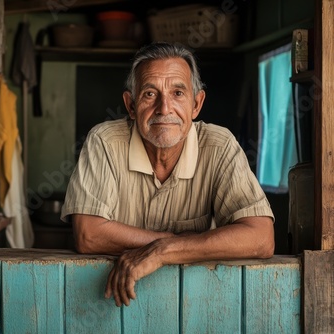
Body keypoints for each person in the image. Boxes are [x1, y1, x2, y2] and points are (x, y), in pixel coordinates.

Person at [61, 42, 275, 307]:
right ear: (130, 105)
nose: (164, 108)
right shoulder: (104, 142)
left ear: (196, 104)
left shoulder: (220, 146)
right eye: (150, 94)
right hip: (109, 304)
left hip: (193, 305)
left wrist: (164, 252)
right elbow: (88, 234)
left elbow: (261, 238)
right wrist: (181, 243)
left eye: (177, 93)